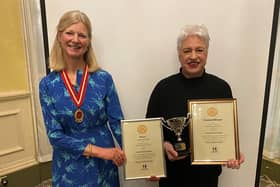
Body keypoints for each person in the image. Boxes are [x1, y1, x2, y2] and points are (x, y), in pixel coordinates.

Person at [146, 24, 245, 187]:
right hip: (172, 178)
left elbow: (226, 133)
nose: (193, 56)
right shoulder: (163, 88)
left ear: (207, 53)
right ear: (179, 54)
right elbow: (149, 133)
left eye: (199, 50)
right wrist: (164, 146)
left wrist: (231, 152)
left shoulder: (221, 88)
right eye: (187, 51)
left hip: (208, 179)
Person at [39, 10, 126, 187]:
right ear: (59, 37)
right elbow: (55, 135)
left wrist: (143, 161)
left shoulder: (103, 79)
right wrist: (100, 152)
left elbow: (118, 123)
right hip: (69, 164)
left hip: (104, 166)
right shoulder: (47, 84)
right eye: (69, 33)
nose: (75, 40)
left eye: (82, 35)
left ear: (88, 42)